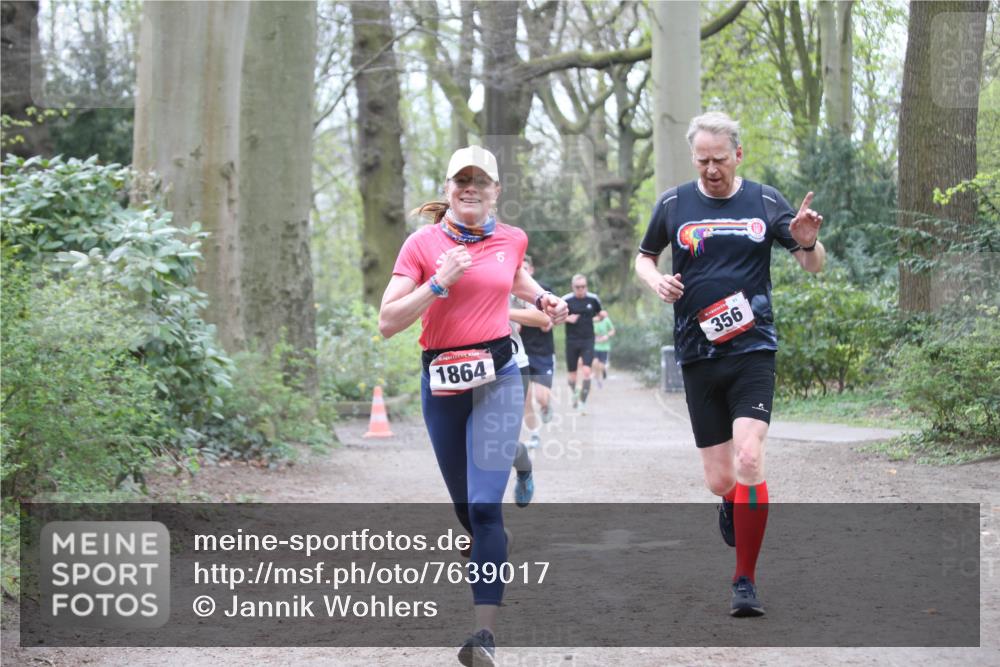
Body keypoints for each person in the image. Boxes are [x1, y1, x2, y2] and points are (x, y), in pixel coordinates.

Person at [378, 145, 568, 667]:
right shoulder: (421, 245)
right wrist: (439, 282)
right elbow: (388, 321)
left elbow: (520, 283)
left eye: (480, 181)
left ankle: (483, 635)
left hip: (498, 377)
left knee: (486, 507)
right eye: (461, 180)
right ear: (447, 188)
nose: (470, 189)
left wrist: (546, 300)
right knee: (466, 510)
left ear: (495, 192)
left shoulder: (512, 239)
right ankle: (492, 525)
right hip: (441, 384)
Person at [634, 111, 825, 618]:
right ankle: (728, 503)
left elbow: (812, 262)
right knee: (721, 479)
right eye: (703, 160)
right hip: (697, 354)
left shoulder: (764, 201)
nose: (711, 168)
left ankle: (745, 580)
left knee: (749, 458)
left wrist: (806, 240)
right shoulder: (674, 202)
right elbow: (644, 256)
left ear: (738, 155)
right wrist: (655, 281)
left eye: (720, 159)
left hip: (753, 350)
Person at [508, 292, 549, 506]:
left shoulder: (512, 276)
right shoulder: (444, 268)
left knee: (498, 442)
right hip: (455, 366)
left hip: (510, 363)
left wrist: (501, 313)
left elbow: (543, 318)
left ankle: (523, 465)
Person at [518, 255, 556, 448]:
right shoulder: (512, 293)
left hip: (543, 352)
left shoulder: (544, 291)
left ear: (531, 270)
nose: (522, 271)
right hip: (521, 352)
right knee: (525, 399)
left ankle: (546, 405)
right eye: (519, 268)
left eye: (526, 268)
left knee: (541, 397)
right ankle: (534, 434)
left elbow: (546, 325)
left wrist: (531, 308)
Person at [561, 274, 605, 414]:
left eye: (583, 287)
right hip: (571, 340)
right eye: (578, 287)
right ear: (573, 287)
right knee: (572, 376)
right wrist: (567, 319)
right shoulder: (566, 300)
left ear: (586, 286)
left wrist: (601, 317)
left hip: (588, 340)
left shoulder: (593, 299)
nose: (581, 289)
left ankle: (583, 402)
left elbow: (600, 314)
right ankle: (575, 394)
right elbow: (555, 318)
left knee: (586, 371)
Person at [591, 310, 616, 388]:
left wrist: (607, 336)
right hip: (594, 346)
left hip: (604, 347)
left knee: (601, 366)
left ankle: (601, 374)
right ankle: (597, 378)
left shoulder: (606, 320)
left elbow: (612, 331)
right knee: (595, 362)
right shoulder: (592, 320)